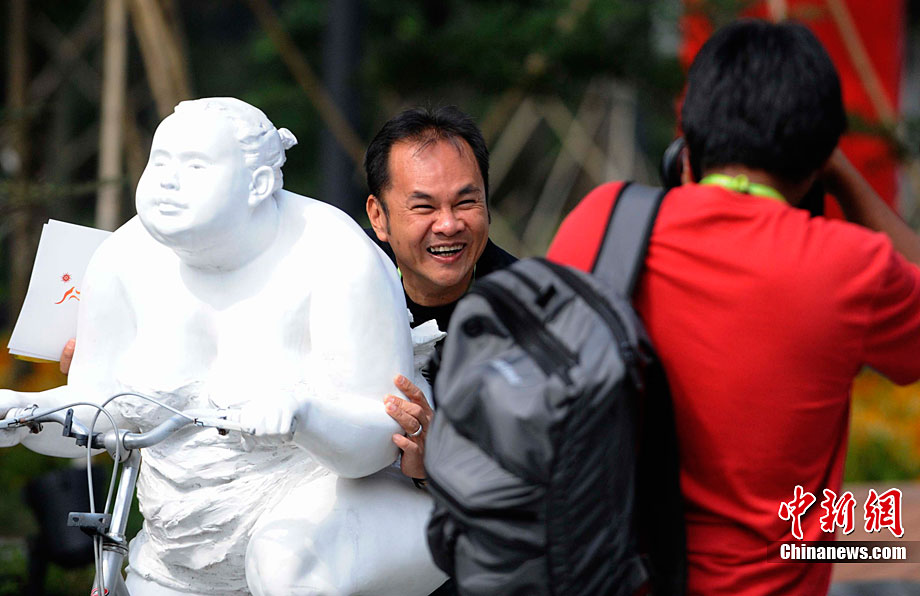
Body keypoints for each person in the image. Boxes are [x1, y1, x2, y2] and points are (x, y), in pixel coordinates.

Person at [1, 97, 446, 595]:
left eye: (195, 167)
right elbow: (99, 411)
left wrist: (305, 415)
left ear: (259, 184)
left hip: (330, 522)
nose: (168, 181)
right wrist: (23, 413)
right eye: (160, 162)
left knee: (285, 567)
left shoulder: (336, 256)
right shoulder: (121, 259)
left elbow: (378, 438)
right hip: (176, 553)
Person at [547, 20, 920, 596]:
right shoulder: (850, 267)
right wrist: (844, 179)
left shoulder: (600, 221)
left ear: (688, 142)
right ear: (816, 159)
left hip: (602, 576)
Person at [363, 106, 516, 482]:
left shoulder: (530, 314)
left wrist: (441, 466)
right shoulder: (347, 280)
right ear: (378, 216)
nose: (448, 224)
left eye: (465, 202)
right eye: (424, 207)